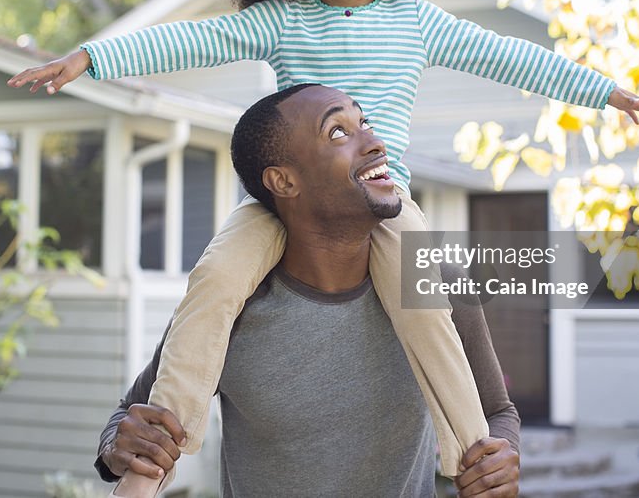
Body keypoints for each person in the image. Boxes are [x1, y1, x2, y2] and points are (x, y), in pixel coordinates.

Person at [8, 0, 639, 497]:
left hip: (388, 202)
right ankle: (153, 467)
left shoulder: (414, 20)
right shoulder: (282, 17)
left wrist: (604, 91)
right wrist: (90, 57)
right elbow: (188, 43)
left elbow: (511, 58)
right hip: (273, 212)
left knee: (428, 311)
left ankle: (466, 457)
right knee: (215, 278)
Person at [96, 83, 521, 497]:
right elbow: (127, 416)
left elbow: (498, 412)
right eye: (338, 131)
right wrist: (120, 449)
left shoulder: (437, 281)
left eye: (365, 122)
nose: (375, 143)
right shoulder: (229, 306)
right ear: (283, 182)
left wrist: (503, 458)